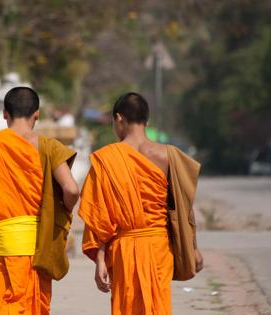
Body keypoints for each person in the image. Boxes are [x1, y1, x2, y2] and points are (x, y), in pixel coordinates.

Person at [78, 92, 204, 315]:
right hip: (158, 247)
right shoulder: (168, 155)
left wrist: (99, 259)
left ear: (119, 119)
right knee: (157, 306)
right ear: (147, 120)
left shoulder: (106, 159)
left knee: (127, 307)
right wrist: (193, 248)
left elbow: (99, 216)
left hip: (123, 250)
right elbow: (184, 207)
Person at [0, 87, 79, 314]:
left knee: (5, 307)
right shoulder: (48, 147)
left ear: (5, 113)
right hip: (35, 246)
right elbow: (72, 189)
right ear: (37, 114)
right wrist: (62, 210)